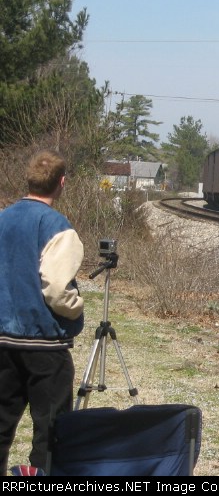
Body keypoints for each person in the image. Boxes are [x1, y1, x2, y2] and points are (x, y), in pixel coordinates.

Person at [0, 149, 85, 473]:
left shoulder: (2, 218)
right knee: (49, 434)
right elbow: (56, 289)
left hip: (2, 341)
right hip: (43, 345)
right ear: (61, 183)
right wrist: (76, 311)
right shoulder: (57, 227)